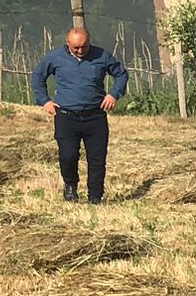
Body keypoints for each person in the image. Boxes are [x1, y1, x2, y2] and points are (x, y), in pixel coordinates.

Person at [30, 25, 127, 204]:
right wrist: (45, 100)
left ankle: (95, 196)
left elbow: (121, 74)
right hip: (66, 116)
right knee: (68, 155)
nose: (81, 50)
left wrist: (114, 94)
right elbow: (38, 77)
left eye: (84, 46)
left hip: (95, 116)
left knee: (97, 159)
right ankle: (70, 187)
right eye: (76, 47)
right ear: (68, 44)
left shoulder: (102, 56)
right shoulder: (55, 57)